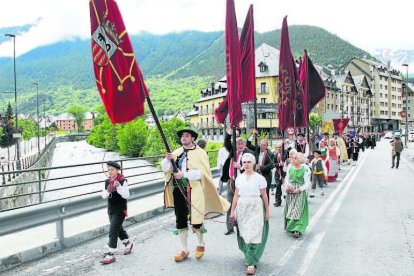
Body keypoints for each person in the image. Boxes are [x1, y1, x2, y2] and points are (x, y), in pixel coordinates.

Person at [162, 129, 230, 262]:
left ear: (192, 138)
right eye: (182, 136)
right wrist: (167, 159)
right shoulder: (176, 153)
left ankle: (200, 244)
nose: (184, 137)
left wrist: (184, 175)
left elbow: (202, 173)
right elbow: (165, 169)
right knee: (180, 219)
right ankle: (184, 249)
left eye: (186, 136)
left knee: (196, 218)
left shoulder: (201, 153)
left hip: (195, 189)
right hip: (178, 189)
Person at [230, 153, 269, 275]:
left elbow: (264, 195)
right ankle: (249, 256)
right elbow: (236, 195)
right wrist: (232, 211)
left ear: (254, 164)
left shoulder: (260, 178)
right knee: (245, 234)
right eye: (244, 162)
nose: (246, 164)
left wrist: (267, 211)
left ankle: (252, 263)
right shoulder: (239, 178)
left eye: (249, 162)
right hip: (242, 208)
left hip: (255, 207)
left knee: (254, 234)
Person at [100, 161, 133, 264]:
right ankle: (128, 244)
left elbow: (126, 195)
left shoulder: (123, 181)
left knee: (113, 229)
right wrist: (109, 190)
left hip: (120, 209)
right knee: (118, 229)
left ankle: (110, 254)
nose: (110, 172)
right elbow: (103, 196)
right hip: (111, 209)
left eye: (112, 170)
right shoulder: (107, 182)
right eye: (108, 170)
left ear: (117, 170)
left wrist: (118, 186)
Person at [221, 129, 254, 235]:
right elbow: (226, 143)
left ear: (245, 144)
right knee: (229, 204)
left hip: (244, 183)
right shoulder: (233, 150)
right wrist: (230, 133)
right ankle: (229, 227)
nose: (240, 145)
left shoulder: (249, 153)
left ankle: (244, 225)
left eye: (242, 143)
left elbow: (253, 167)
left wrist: (241, 167)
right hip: (231, 181)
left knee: (243, 204)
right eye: (238, 143)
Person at [283, 151, 311, 238]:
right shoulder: (290, 168)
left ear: (300, 160)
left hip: (299, 192)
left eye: (295, 158)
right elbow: (287, 179)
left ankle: (297, 229)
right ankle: (291, 226)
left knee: (298, 209)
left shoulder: (304, 170)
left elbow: (307, 183)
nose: (293, 160)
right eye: (292, 158)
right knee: (290, 209)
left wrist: (299, 189)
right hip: (291, 190)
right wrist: (287, 186)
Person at [247, 135, 275, 201]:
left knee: (265, 192)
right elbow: (248, 144)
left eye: (264, 145)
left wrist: (261, 168)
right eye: (261, 145)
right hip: (256, 174)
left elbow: (271, 165)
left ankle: (266, 208)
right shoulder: (257, 149)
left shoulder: (270, 153)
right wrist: (252, 135)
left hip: (266, 175)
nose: (262, 146)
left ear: (267, 146)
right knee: (256, 191)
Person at [273, 143, 285, 207]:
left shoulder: (286, 154)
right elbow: (273, 164)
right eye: (278, 147)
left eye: (280, 147)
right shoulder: (275, 155)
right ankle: (278, 201)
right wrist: (279, 164)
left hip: (285, 173)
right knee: (278, 186)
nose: (279, 148)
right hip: (278, 173)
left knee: (287, 187)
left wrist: (285, 163)